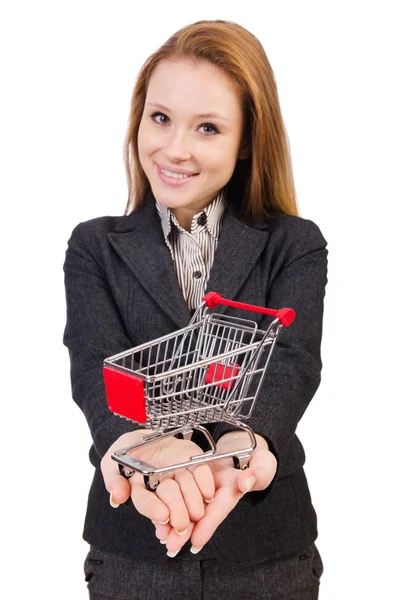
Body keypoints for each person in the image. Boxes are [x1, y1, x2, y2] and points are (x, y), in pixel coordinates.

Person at [63, 19, 328, 600]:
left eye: (208, 127)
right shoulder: (95, 248)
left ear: (246, 142)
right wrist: (140, 449)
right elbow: (95, 366)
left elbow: (290, 364)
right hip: (133, 548)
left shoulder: (294, 244)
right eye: (160, 118)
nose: (174, 148)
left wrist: (232, 445)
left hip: (265, 551)